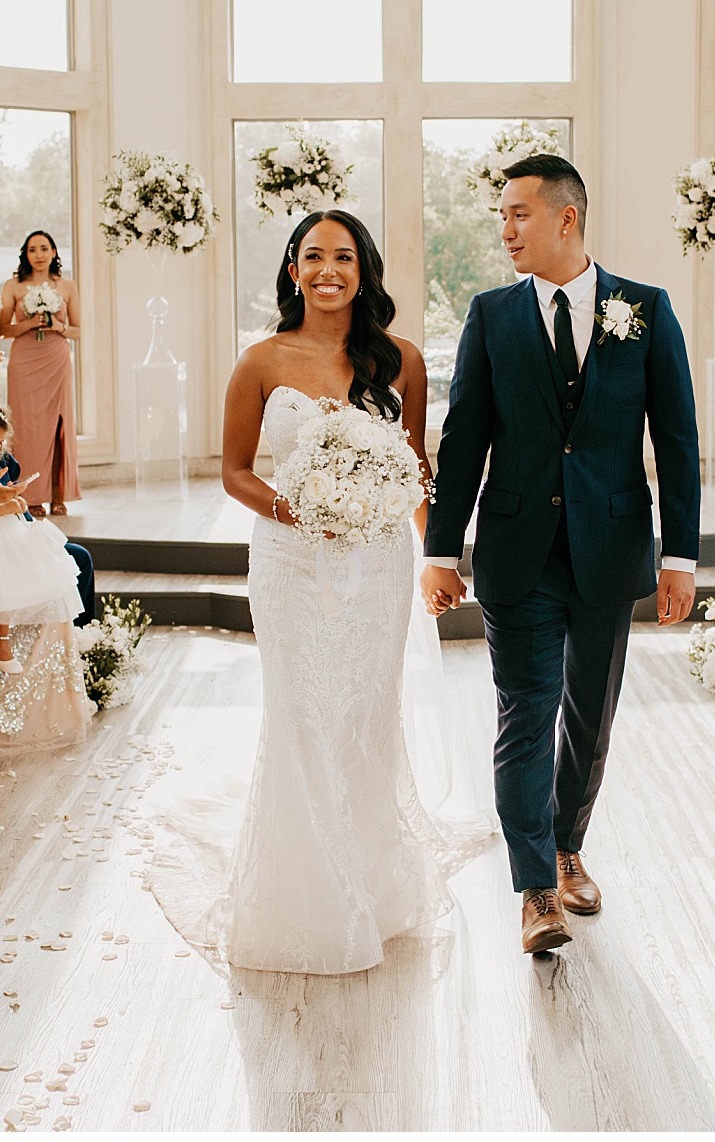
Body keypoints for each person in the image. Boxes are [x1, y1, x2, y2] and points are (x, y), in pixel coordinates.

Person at [147, 211, 493, 975]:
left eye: (344, 256)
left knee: (367, 711)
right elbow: (236, 469)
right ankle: (305, 899)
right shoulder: (260, 360)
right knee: (302, 712)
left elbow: (415, 467)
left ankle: (371, 882)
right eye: (314, 255)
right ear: (294, 268)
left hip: (378, 562)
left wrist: (437, 555)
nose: (329, 268)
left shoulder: (400, 358)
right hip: (288, 560)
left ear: (364, 268)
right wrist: (295, 508)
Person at [421, 154, 701, 956]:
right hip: (517, 550)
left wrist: (679, 553)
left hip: (611, 548)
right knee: (524, 714)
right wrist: (442, 547)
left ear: (566, 218)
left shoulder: (644, 310)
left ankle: (568, 841)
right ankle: (536, 884)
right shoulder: (490, 313)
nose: (505, 229)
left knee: (590, 717)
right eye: (501, 216)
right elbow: (464, 436)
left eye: (518, 213)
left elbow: (675, 439)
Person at [0, 400, 91, 750]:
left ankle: (1, 634)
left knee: (25, 567)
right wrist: (5, 505)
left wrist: (12, 500)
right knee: (5, 571)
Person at [0, 231, 80, 517]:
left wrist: (56, 325)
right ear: (25, 254)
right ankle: (30, 494)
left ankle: (58, 495)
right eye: (33, 249)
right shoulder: (13, 285)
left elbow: (78, 331)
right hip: (24, 359)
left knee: (58, 425)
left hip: (56, 358)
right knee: (27, 427)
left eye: (44, 248)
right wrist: (32, 322)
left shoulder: (67, 285)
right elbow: (4, 329)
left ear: (54, 252)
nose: (39, 254)